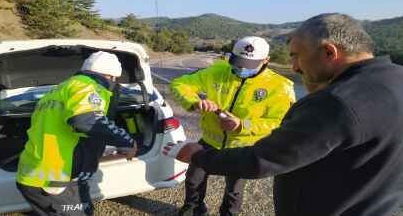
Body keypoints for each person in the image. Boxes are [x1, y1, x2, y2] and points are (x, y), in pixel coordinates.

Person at [164, 13, 403, 216]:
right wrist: (195, 103)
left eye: (296, 56)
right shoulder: (396, 78)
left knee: (234, 191)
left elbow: (265, 159)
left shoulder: (335, 101)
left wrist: (204, 154)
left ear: (329, 52)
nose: (296, 67)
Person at [170, 36, 295, 216]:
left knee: (234, 191)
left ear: (266, 61)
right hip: (210, 141)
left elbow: (280, 122)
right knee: (193, 180)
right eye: (238, 62)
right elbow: (180, 84)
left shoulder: (280, 87)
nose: (241, 68)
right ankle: (193, 210)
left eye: (249, 64)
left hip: (243, 148)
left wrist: (242, 125)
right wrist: (195, 101)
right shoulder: (217, 71)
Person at [16, 51, 137, 216]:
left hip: (31, 175)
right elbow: (87, 120)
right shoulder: (90, 87)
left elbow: (61, 131)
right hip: (56, 179)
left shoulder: (58, 90)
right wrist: (127, 141)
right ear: (111, 76)